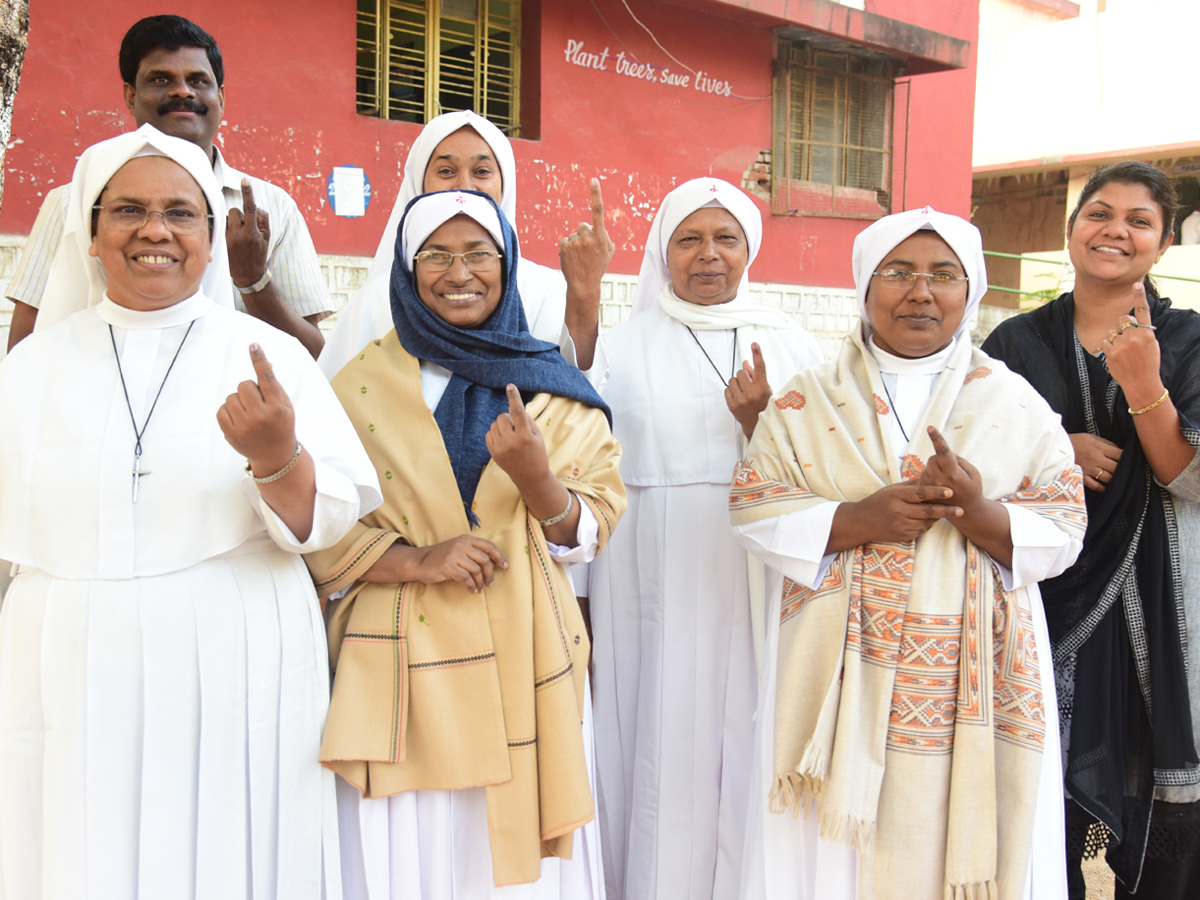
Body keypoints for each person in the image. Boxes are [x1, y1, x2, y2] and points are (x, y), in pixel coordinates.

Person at [0, 124, 380, 898]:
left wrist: (278, 455)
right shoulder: (32, 363)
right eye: (128, 210)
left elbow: (329, 523)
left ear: (211, 235)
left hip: (233, 653)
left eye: (182, 212)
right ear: (92, 232)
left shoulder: (268, 356)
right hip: (70, 662)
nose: (155, 231)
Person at [730, 207, 1088, 900]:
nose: (920, 291)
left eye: (943, 275)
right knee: (826, 861)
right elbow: (752, 505)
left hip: (970, 669)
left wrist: (979, 512)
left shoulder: (1016, 404)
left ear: (970, 292)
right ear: (865, 287)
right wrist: (857, 518)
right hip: (835, 670)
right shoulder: (807, 400)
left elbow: (1065, 524)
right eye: (897, 272)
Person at [305, 189, 626, 898]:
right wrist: (420, 559)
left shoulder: (552, 385)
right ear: (406, 269)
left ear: (507, 266)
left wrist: (537, 478)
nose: (460, 272)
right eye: (437, 256)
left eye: (479, 253)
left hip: (526, 646)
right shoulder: (357, 385)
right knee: (415, 855)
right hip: (401, 661)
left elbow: (591, 528)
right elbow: (323, 530)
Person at [587, 177, 823, 900]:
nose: (708, 255)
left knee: (748, 734)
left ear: (750, 247)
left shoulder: (796, 343)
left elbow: (826, 471)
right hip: (649, 572)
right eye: (689, 239)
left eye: (726, 238)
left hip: (759, 572)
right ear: (664, 249)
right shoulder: (619, 348)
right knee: (656, 739)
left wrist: (760, 427)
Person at [983, 162, 1200, 900]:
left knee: (1161, 806)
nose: (1116, 231)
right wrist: (1055, 443)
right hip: (1046, 603)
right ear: (1071, 230)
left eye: (1139, 221)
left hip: (1165, 601)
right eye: (1099, 213)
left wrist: (1146, 387)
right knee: (1042, 800)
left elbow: (1189, 474)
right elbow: (966, 455)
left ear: (1163, 244)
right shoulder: (1015, 343)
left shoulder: (1191, 340)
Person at [6, 15, 331, 358]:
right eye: (161, 79)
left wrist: (253, 281)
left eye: (198, 80)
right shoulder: (71, 202)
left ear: (220, 98)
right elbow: (24, 351)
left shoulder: (273, 206)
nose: (182, 90)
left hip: (233, 408)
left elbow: (312, 353)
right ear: (131, 96)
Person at [318, 108, 612, 379]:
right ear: (419, 183)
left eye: (482, 172)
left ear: (504, 185)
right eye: (446, 171)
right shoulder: (376, 299)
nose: (464, 187)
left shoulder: (544, 290)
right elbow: (334, 408)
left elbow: (574, 393)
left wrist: (584, 294)